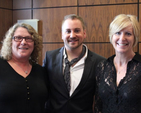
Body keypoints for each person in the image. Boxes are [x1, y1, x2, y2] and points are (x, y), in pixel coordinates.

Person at [43, 14, 105, 113]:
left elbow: (101, 99)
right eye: (68, 31)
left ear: (84, 33)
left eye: (77, 30)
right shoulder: (50, 57)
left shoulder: (99, 62)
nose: (72, 35)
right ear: (62, 35)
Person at [94, 14, 141, 113]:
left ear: (135, 38)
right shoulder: (102, 67)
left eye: (128, 34)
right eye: (118, 33)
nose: (122, 38)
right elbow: (98, 105)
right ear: (112, 36)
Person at [0, 23, 48, 113]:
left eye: (28, 38)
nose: (23, 42)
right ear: (10, 42)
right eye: (18, 38)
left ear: (34, 44)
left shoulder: (40, 70)